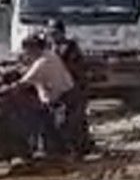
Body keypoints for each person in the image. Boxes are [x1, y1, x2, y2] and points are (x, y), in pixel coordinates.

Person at [1, 34, 77, 157]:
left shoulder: (42, 63)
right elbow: (24, 68)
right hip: (65, 94)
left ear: (34, 49)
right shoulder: (49, 54)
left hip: (61, 99)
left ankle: (55, 153)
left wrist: (4, 90)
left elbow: (21, 85)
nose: (26, 54)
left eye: (27, 51)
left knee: (37, 118)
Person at [45, 20, 91, 155]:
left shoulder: (71, 48)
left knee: (74, 120)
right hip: (56, 88)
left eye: (55, 33)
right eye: (50, 33)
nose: (53, 36)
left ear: (62, 33)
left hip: (73, 88)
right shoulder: (49, 48)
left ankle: (79, 147)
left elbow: (75, 69)